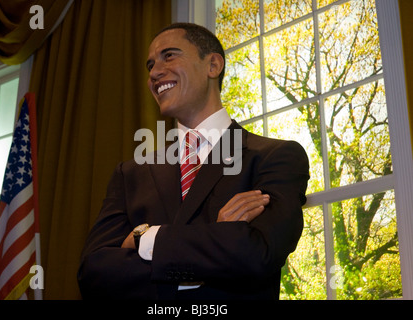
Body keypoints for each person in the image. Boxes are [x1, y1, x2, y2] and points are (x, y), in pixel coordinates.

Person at [77, 22, 310, 300]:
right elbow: (94, 274)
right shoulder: (130, 173)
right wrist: (218, 241)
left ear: (213, 65)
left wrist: (144, 239)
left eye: (169, 55)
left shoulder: (276, 157)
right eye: (150, 64)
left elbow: (257, 254)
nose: (154, 72)